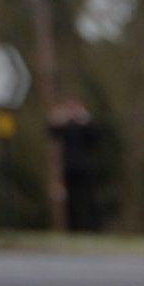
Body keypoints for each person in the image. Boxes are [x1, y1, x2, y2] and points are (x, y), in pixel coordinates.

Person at [48, 98, 104, 231]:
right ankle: (73, 227)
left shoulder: (84, 125)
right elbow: (51, 132)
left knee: (89, 198)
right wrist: (57, 118)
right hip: (68, 166)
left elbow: (96, 137)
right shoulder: (65, 126)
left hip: (85, 166)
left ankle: (94, 227)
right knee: (71, 200)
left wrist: (86, 120)